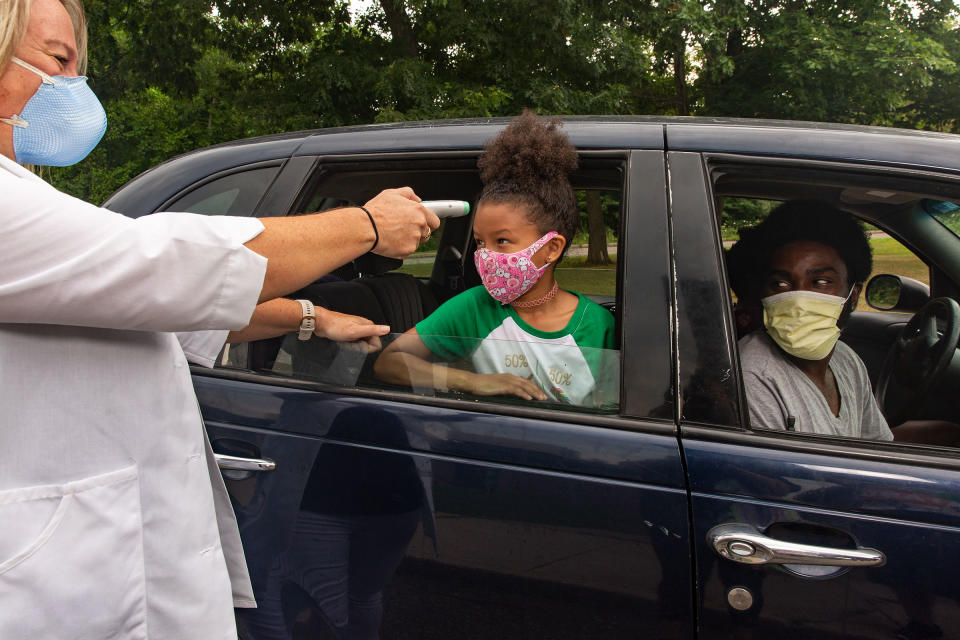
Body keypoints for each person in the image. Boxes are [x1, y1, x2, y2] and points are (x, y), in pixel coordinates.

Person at [0, 1, 439, 639]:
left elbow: (160, 310)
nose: (74, 87)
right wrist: (366, 226)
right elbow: (163, 263)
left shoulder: (31, 203)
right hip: (60, 589)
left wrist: (312, 317)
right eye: (58, 59)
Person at [374, 111, 617, 408]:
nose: (485, 255)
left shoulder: (598, 324)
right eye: (479, 242)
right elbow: (389, 362)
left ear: (552, 248)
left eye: (502, 241)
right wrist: (473, 381)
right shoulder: (474, 307)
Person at [732, 200, 894, 440]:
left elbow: (877, 448)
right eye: (780, 284)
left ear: (853, 294)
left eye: (820, 282)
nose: (798, 299)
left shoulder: (847, 360)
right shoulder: (754, 376)